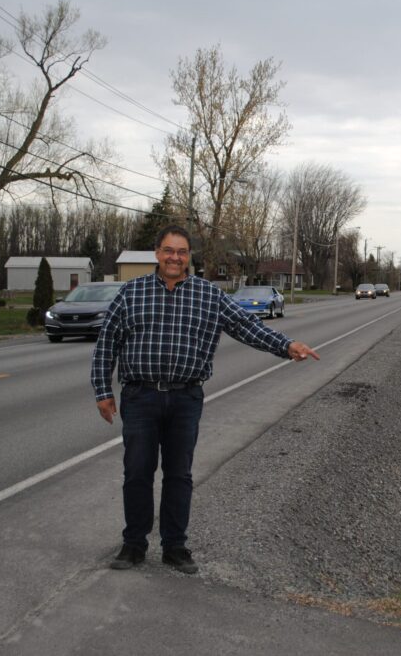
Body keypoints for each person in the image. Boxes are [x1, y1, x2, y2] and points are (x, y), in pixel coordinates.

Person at [91, 224, 320, 574]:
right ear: (157, 253)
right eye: (169, 250)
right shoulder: (130, 293)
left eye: (182, 252)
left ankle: (175, 547)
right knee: (137, 472)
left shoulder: (207, 295)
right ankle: (133, 544)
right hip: (140, 397)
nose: (175, 257)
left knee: (179, 474)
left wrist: (287, 346)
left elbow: (246, 326)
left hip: (186, 398)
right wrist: (103, 392)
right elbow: (107, 343)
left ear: (188, 258)